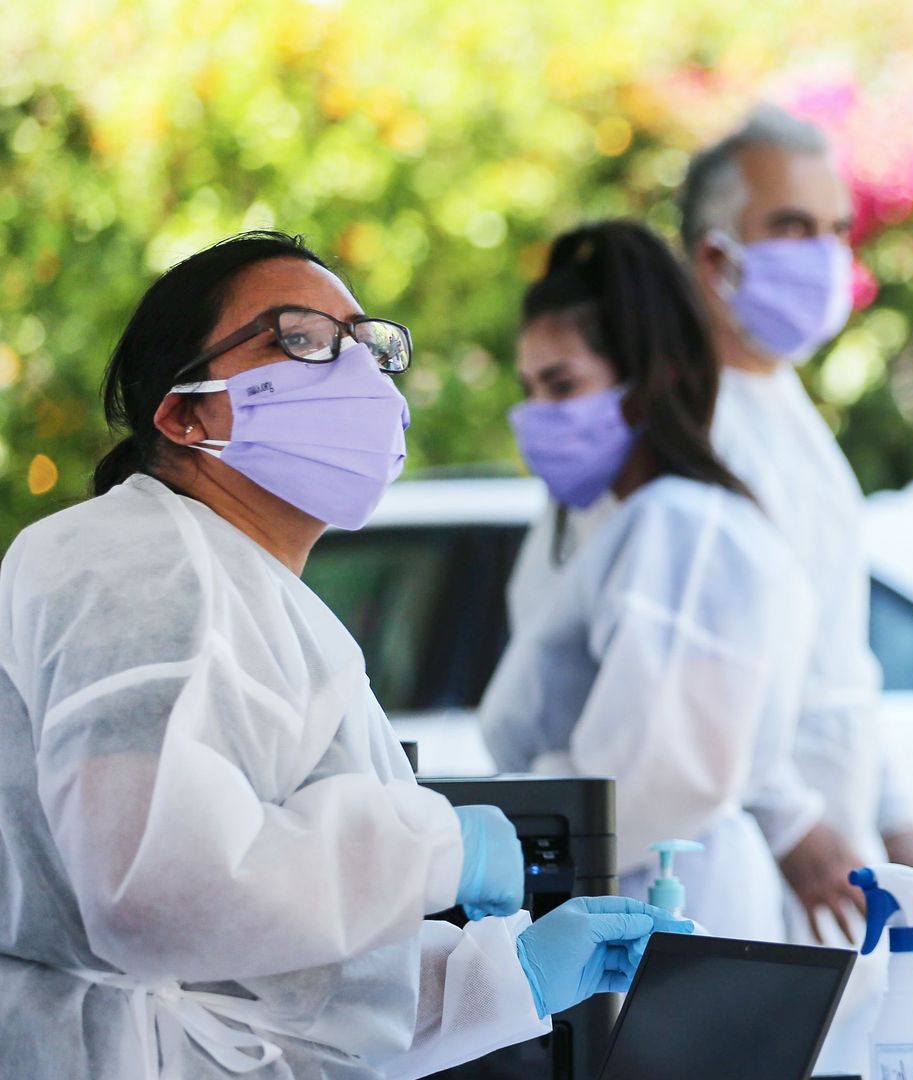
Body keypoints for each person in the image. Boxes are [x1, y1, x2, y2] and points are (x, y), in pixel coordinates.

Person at [0, 232, 688, 1080]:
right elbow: (156, 891)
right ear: (184, 415)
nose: (356, 371)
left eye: (367, 345)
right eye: (301, 339)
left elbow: (283, 989)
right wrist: (438, 850)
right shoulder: (137, 557)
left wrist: (509, 978)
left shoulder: (268, 601)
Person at [677, 106, 913, 1073]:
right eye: (791, 226)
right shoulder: (685, 428)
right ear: (714, 257)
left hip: (829, 856)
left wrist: (896, 818)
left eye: (836, 229)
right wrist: (790, 818)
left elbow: (836, 659)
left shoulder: (786, 407)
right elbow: (696, 672)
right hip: (740, 862)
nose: (824, 254)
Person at [480, 220, 815, 942]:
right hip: (631, 892)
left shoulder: (680, 527)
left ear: (646, 381)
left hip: (658, 895)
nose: (537, 416)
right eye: (530, 388)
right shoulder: (626, 525)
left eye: (563, 384)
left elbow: (655, 777)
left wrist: (488, 847)